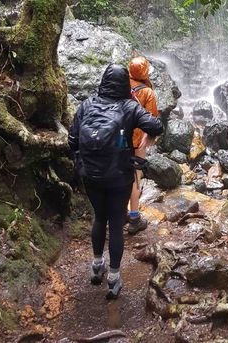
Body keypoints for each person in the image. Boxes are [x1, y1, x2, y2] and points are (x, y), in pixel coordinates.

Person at [68, 63, 162, 299]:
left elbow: (72, 140)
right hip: (119, 175)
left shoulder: (87, 104)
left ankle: (97, 265)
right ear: (124, 84)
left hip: (90, 174)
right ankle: (113, 277)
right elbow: (156, 125)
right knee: (116, 223)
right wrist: (145, 135)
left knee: (99, 217)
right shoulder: (130, 107)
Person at [127, 56, 158, 235]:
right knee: (135, 178)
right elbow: (152, 119)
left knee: (121, 174)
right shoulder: (147, 92)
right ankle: (134, 216)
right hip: (138, 140)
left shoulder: (121, 86)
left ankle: (119, 212)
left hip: (120, 138)